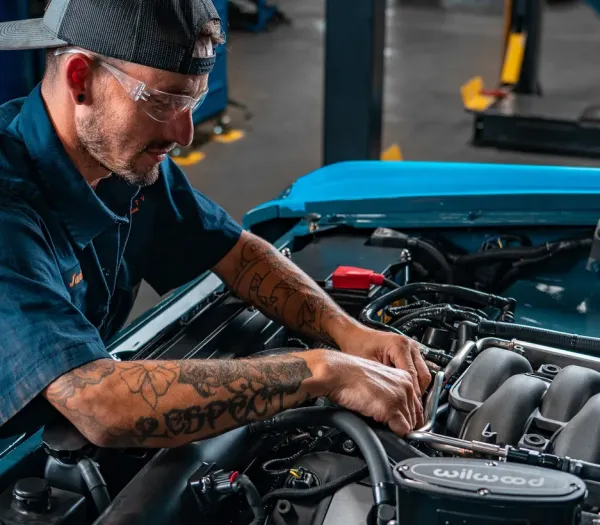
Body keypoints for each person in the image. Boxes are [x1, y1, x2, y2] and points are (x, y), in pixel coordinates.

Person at [0, 0, 430, 448]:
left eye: (194, 99)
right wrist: (322, 371)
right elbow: (99, 404)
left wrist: (351, 335)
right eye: (165, 100)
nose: (185, 133)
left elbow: (238, 255)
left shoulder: (119, 158)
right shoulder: (10, 210)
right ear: (80, 79)